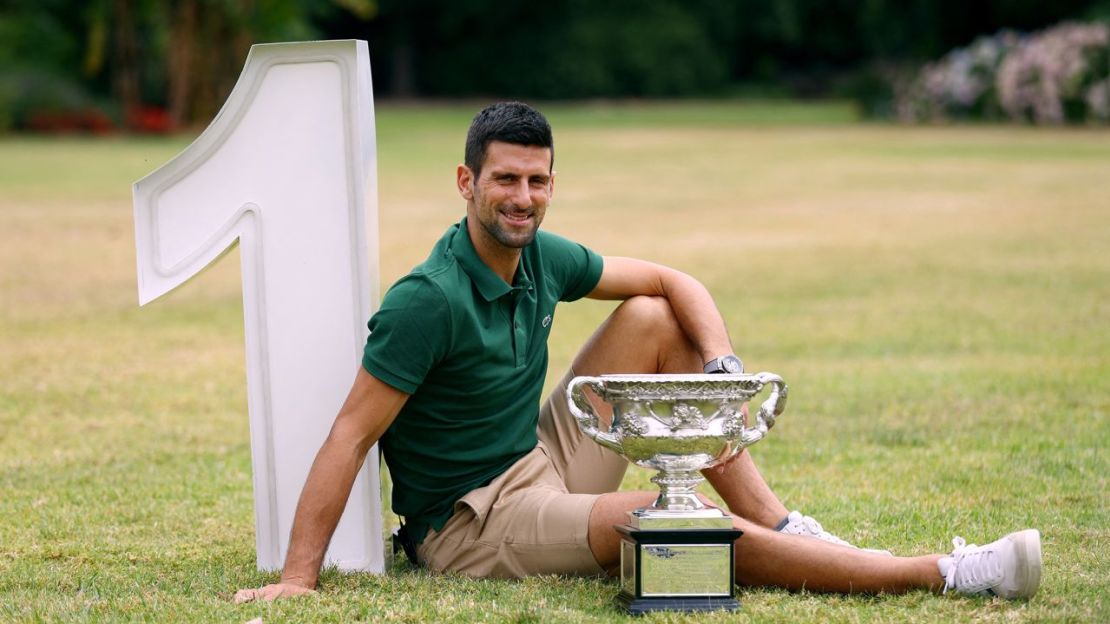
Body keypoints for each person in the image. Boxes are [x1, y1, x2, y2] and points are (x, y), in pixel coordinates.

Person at [234, 102, 1042, 604]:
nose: (522, 199)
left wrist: (722, 370)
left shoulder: (541, 254)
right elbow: (350, 433)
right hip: (471, 522)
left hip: (538, 458)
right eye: (506, 180)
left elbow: (669, 278)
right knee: (666, 519)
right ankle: (937, 572)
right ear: (465, 181)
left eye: (538, 182)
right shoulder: (427, 300)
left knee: (654, 315)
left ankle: (785, 524)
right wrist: (301, 577)